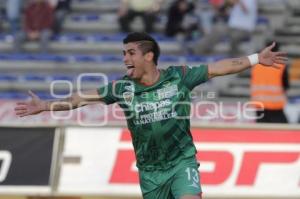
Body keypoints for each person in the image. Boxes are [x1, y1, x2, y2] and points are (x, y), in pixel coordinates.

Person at [15, 32, 287, 199]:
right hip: (150, 172)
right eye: (123, 53)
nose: (125, 59)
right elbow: (78, 99)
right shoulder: (121, 88)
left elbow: (219, 67)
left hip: (182, 163)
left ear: (149, 56)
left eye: (130, 53)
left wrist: (254, 58)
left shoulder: (178, 77)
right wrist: (45, 106)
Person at [251, 42, 289, 123]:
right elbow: (286, 85)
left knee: (262, 132)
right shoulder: (281, 66)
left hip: (259, 104)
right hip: (275, 106)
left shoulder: (256, 66)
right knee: (283, 131)